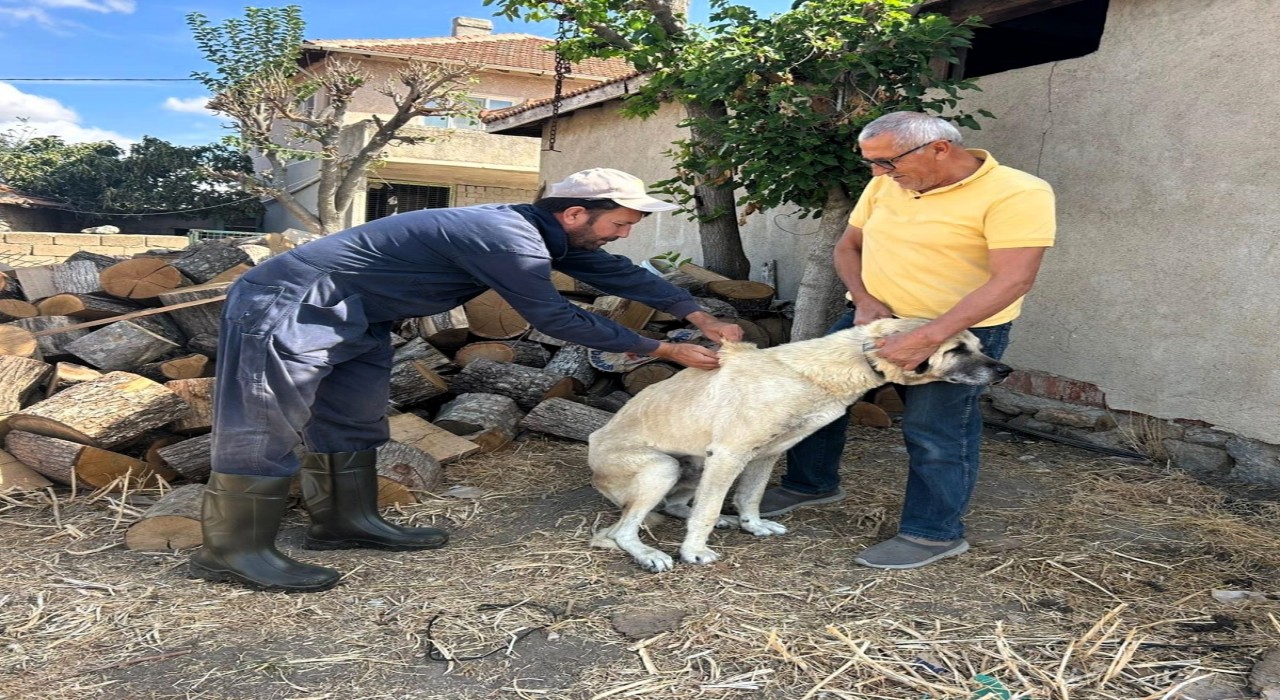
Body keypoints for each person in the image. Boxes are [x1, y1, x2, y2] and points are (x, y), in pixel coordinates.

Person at [190, 168, 744, 592]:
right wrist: (662, 348)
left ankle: (344, 520)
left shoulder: (555, 237)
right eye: (619, 224)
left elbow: (620, 274)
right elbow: (554, 318)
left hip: (362, 311)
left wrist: (700, 317)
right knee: (265, 419)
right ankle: (233, 549)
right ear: (576, 213)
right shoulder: (505, 235)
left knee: (353, 414)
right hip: (294, 300)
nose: (621, 235)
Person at [757, 111, 1056, 569]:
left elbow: (1013, 280)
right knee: (815, 399)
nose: (878, 174)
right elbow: (847, 248)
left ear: (940, 148)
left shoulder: (1019, 192)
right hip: (875, 319)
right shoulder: (886, 184)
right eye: (871, 164)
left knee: (935, 428)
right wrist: (862, 298)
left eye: (888, 162)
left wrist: (927, 338)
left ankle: (933, 533)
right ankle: (809, 484)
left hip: (958, 331)